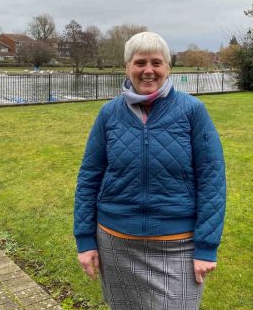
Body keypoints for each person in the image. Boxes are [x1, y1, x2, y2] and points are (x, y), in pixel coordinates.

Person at [74, 32, 226, 309]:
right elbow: (89, 177)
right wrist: (85, 240)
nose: (148, 70)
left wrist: (206, 246)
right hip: (115, 241)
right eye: (140, 62)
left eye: (156, 62)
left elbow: (212, 178)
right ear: (127, 67)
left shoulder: (192, 111)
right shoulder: (109, 113)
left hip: (177, 242)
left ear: (168, 67)